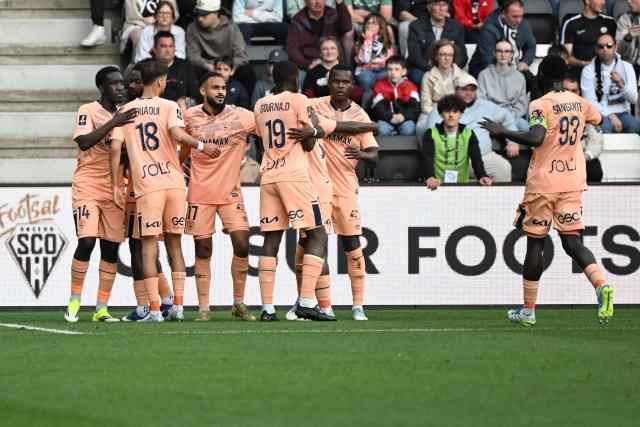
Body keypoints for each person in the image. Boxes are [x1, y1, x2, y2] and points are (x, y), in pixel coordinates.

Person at [480, 54, 614, 327]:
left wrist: (501, 131)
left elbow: (536, 138)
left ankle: (528, 311)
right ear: (564, 78)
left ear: (541, 78)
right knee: (573, 243)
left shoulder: (540, 104)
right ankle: (601, 286)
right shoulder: (580, 102)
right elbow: (598, 120)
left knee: (535, 243)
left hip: (544, 183)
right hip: (573, 181)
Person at [109, 61, 219, 322]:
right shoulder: (170, 106)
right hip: (174, 183)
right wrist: (203, 146)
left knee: (148, 248)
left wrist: (116, 184)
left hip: (148, 186)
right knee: (175, 245)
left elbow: (115, 149)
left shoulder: (127, 110)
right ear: (160, 81)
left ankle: (156, 310)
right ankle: (179, 306)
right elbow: (178, 136)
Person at [253, 60, 336, 321]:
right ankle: (307, 302)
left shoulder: (260, 104)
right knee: (318, 234)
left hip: (268, 175)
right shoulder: (300, 100)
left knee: (271, 241)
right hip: (294, 177)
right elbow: (309, 144)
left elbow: (260, 139)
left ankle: (267, 309)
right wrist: (313, 129)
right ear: (297, 80)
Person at [302, 65, 379, 320]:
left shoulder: (360, 113)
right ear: (329, 82)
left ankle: (358, 305)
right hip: (316, 187)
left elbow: (374, 156)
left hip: (346, 188)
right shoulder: (314, 104)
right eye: (336, 81)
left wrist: (363, 155)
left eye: (346, 82)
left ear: (352, 85)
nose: (341, 86)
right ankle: (323, 305)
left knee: (352, 245)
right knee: (312, 245)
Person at [64, 67, 137, 323]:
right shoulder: (89, 110)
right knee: (86, 242)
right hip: (87, 186)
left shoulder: (126, 116)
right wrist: (114, 122)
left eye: (122, 84)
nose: (120, 87)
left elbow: (127, 154)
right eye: (114, 84)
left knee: (110, 249)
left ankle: (101, 309)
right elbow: (84, 142)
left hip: (115, 188)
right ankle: (74, 301)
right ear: (101, 88)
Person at [181, 72, 256, 321]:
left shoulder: (241, 116)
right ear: (203, 91)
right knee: (203, 250)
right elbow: (179, 145)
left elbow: (269, 126)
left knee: (243, 244)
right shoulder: (189, 116)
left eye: (223, 87)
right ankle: (204, 308)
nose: (221, 91)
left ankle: (239, 302)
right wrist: (177, 165)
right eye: (215, 87)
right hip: (200, 193)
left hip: (231, 193)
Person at [119, 66, 177, 322]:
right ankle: (164, 299)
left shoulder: (129, 112)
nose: (131, 86)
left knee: (143, 245)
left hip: (141, 186)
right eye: (129, 82)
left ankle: (148, 304)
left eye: (135, 82)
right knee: (139, 245)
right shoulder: (122, 112)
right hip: (134, 185)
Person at [424, 74, 515, 182]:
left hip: (482, 156)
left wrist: (512, 142)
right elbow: (431, 137)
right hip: (447, 159)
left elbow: (507, 116)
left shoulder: (486, 106)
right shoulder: (443, 106)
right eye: (464, 89)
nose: (468, 93)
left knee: (503, 168)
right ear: (456, 89)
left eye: (472, 90)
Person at [468, 0, 539, 100]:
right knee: (502, 88)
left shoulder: (524, 25)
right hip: (487, 68)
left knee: (534, 83)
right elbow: (486, 61)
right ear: (503, 14)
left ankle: (531, 113)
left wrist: (525, 62)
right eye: (514, 16)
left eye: (521, 16)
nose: (519, 20)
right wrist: (507, 76)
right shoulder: (489, 29)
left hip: (515, 67)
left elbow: (531, 46)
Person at [186, 0, 256, 96]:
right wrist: (209, 66)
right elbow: (193, 56)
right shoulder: (192, 28)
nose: (200, 18)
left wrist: (228, 68)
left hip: (228, 66)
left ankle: (249, 106)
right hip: (206, 67)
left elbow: (241, 55)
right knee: (191, 69)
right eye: (198, 14)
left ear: (216, 13)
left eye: (204, 15)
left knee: (247, 70)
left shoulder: (231, 27)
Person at [423, 94, 492, 189]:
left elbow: (476, 159)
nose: (451, 115)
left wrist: (482, 175)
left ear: (461, 114)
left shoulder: (469, 133)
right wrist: (430, 176)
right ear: (441, 114)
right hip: (436, 185)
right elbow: (428, 158)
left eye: (455, 111)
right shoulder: (430, 133)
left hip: (462, 186)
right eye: (447, 111)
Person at [581, 33, 640, 134]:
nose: (605, 49)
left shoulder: (627, 67)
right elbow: (589, 101)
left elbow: (633, 99)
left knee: (635, 126)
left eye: (609, 45)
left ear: (615, 47)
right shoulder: (588, 70)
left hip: (623, 112)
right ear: (596, 49)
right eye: (601, 46)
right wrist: (610, 115)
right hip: (600, 112)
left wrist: (621, 84)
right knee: (606, 128)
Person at [286, 0, 353, 84]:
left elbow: (347, 27)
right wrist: (308, 65)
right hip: (308, 64)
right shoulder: (297, 20)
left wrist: (340, 4)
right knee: (297, 79)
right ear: (305, 1)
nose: (318, 2)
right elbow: (292, 49)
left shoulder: (333, 15)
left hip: (333, 62)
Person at [407, 0, 468, 85]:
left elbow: (462, 56)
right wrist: (434, 71)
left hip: (449, 69)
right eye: (437, 5)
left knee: (466, 81)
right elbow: (415, 56)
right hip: (424, 69)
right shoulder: (415, 26)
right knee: (418, 77)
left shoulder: (457, 27)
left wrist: (449, 69)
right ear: (429, 7)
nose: (441, 9)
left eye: (444, 5)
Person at [477, 38, 528, 132]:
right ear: (494, 53)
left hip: (513, 118)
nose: (503, 54)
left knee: (525, 127)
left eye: (507, 51)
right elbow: (481, 101)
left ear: (512, 54)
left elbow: (521, 104)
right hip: (489, 118)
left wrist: (507, 117)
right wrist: (495, 117)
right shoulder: (484, 75)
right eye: (499, 51)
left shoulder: (519, 77)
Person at [563, 75, 605, 182]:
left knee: (594, 170)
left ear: (579, 92)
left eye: (574, 91)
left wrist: (585, 157)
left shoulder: (588, 111)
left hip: (581, 157)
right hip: (558, 158)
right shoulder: (549, 107)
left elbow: (597, 141)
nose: (570, 94)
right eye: (566, 90)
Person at [561, 0, 616, 77]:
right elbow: (565, 57)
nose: (603, 2)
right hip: (580, 73)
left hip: (607, 73)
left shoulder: (610, 22)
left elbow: (617, 51)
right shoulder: (571, 23)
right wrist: (584, 64)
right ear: (587, 1)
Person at [418, 39, 470, 118]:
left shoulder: (464, 76)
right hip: (434, 113)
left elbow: (467, 104)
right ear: (436, 56)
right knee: (421, 127)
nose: (447, 58)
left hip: (457, 115)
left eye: (450, 55)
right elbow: (425, 105)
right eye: (443, 54)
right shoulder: (428, 76)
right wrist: (442, 114)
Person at [371, 56, 420, 136]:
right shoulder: (379, 85)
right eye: (390, 69)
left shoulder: (411, 86)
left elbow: (415, 108)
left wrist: (404, 116)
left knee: (409, 128)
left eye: (397, 69)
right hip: (386, 119)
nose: (393, 72)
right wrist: (390, 117)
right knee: (381, 128)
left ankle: (406, 148)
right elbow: (378, 108)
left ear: (404, 71)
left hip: (405, 119)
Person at [302, 37, 362, 102]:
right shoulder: (313, 72)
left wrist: (337, 78)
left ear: (338, 52)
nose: (329, 52)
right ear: (320, 53)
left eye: (332, 48)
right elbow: (307, 97)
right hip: (321, 109)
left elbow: (358, 95)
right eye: (325, 49)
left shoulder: (347, 71)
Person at [151, 31, 197, 112]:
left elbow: (195, 95)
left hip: (180, 111)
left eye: (171, 46)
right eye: (163, 46)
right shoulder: (146, 67)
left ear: (174, 48)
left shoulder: (186, 66)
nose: (168, 49)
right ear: (154, 49)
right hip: (155, 110)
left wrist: (184, 100)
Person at [354, 13, 395, 95]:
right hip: (366, 70)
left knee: (389, 76)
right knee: (366, 78)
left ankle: (382, 101)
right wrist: (368, 39)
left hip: (382, 70)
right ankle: (368, 101)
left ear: (380, 27)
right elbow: (365, 59)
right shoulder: (360, 42)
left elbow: (387, 60)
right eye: (368, 23)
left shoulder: (387, 43)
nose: (369, 26)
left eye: (374, 23)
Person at [616, 0, 640, 77]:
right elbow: (618, 51)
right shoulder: (624, 19)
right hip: (632, 66)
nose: (629, 2)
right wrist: (628, 37)